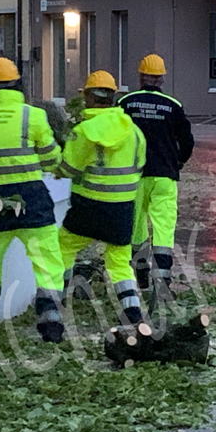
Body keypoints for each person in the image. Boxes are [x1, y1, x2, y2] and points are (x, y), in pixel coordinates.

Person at [0, 57, 66, 342]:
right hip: (31, 197)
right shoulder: (31, 116)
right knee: (46, 259)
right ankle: (51, 324)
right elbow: (50, 159)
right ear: (17, 83)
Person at [56, 71, 148, 325]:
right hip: (122, 209)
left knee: (63, 247)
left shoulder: (83, 131)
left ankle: (56, 302)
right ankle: (132, 314)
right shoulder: (134, 131)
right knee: (119, 262)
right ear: (113, 97)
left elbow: (67, 169)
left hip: (88, 207)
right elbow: (140, 165)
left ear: (88, 96)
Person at [118, 54, 195, 294]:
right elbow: (187, 141)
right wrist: (179, 161)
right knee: (163, 227)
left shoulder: (126, 103)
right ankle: (163, 282)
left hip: (133, 175)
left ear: (141, 76)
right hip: (164, 174)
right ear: (161, 79)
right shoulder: (173, 106)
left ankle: (140, 276)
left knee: (136, 226)